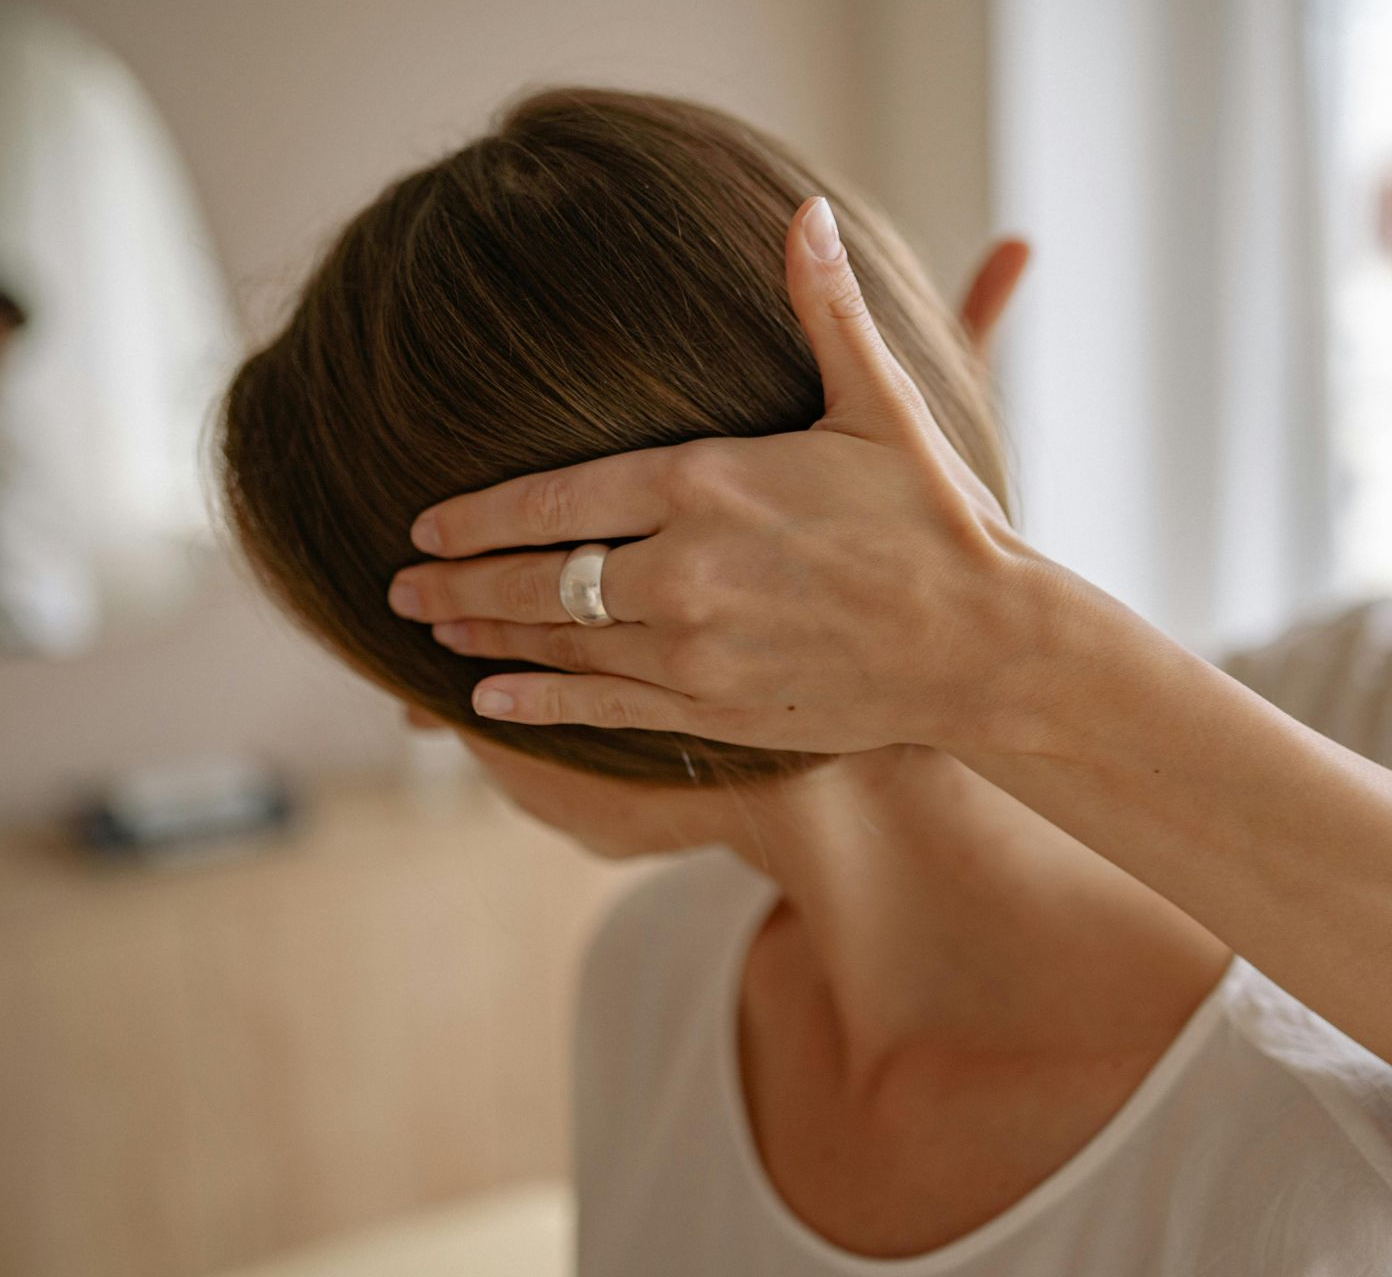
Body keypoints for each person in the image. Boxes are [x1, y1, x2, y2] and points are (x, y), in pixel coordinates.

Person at [216, 86, 1392, 1274]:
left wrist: (979, 613)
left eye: (401, 666)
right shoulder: (653, 977)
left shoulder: (1317, 1168)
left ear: (628, 614)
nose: (416, 716)